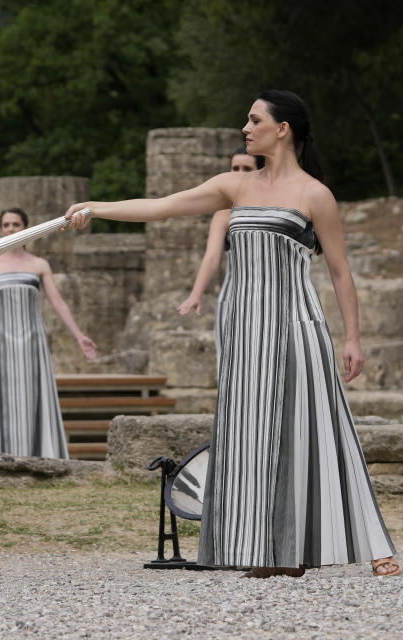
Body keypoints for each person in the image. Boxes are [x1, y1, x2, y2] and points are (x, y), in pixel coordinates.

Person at [65, 90, 399, 578]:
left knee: (321, 430)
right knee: (249, 436)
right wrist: (96, 207)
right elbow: (161, 207)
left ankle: (374, 544)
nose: (245, 128)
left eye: (254, 119)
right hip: (245, 333)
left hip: (296, 326)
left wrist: (352, 339)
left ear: (281, 128)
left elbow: (341, 273)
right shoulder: (233, 186)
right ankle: (267, 550)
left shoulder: (314, 195)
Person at [0, 208, 97, 459]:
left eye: (16, 224)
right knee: (6, 396)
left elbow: (58, 303)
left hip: (33, 339)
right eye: (6, 224)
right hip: (3, 341)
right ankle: (6, 454)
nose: (11, 229)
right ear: (0, 228)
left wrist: (79, 336)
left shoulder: (39, 265)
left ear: (26, 228)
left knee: (36, 394)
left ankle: (43, 455)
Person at [176, 147, 264, 316]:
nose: (239, 173)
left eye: (246, 168)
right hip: (234, 301)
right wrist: (195, 294)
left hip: (275, 299)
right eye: (235, 168)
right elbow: (211, 257)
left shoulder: (277, 207)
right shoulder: (224, 214)